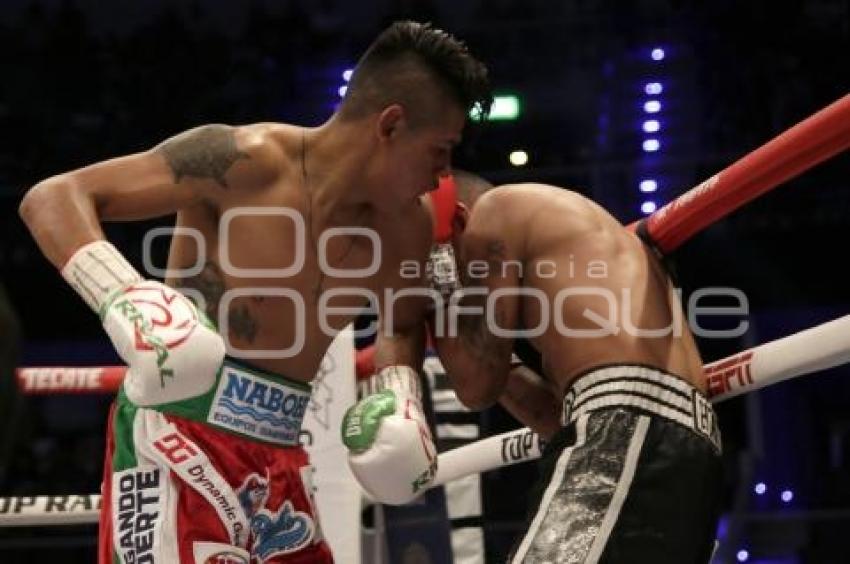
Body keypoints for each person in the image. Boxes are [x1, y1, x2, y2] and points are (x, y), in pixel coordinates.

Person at [18, 21, 491, 563]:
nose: (442, 173)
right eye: (440, 149)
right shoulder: (241, 162)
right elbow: (54, 197)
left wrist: (400, 393)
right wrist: (124, 295)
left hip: (283, 460)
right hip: (178, 437)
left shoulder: (405, 227)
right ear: (391, 124)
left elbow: (402, 322)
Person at [432, 182, 722, 563]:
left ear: (457, 221)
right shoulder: (578, 256)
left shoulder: (495, 210)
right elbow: (549, 415)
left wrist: (435, 290)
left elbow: (475, 386)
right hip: (684, 445)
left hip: (626, 431)